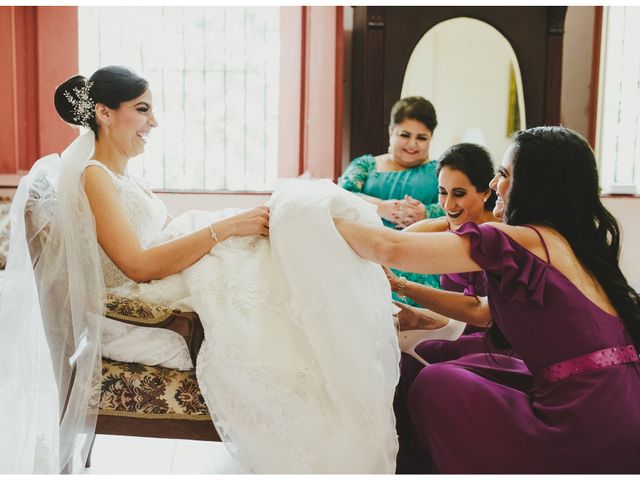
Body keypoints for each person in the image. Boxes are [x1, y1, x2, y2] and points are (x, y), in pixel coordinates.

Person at [0, 66, 400, 474]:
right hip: (146, 306)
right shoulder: (93, 177)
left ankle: (370, 274)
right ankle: (376, 293)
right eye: (142, 109)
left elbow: (158, 240)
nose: (153, 121)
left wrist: (229, 230)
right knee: (279, 242)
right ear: (104, 113)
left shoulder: (119, 177)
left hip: (165, 279)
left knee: (284, 230)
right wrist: (224, 229)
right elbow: (137, 266)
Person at [335, 126, 640, 473]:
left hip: (585, 420)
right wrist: (403, 289)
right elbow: (484, 312)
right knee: (447, 366)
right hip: (623, 411)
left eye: (505, 174)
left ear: (535, 184)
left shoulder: (523, 239)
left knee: (435, 384)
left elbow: (391, 247)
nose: (495, 185)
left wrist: (317, 217)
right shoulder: (572, 245)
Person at [338, 96, 445, 304]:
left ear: (431, 138)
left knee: (407, 318)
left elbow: (462, 210)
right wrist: (381, 208)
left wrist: (426, 214)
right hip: (366, 256)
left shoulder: (441, 171)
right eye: (405, 135)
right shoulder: (366, 165)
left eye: (421, 138)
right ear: (391, 132)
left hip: (419, 261)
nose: (412, 144)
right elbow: (341, 198)